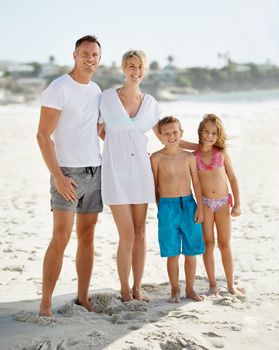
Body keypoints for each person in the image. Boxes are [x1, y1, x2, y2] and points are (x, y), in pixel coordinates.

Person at [36, 35, 103, 317]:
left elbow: (97, 130)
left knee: (87, 237)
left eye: (95, 55)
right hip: (68, 174)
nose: (90, 59)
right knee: (61, 237)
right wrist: (59, 178)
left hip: (94, 170)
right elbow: (42, 136)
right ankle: (46, 303)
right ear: (74, 55)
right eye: (85, 54)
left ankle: (83, 298)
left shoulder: (97, 89)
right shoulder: (59, 88)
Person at [151, 116, 205, 303]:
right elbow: (155, 186)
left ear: (181, 133)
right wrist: (161, 209)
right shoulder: (156, 158)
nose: (171, 136)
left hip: (189, 205)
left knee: (191, 251)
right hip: (167, 207)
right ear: (160, 136)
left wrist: (201, 208)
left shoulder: (188, 157)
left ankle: (190, 288)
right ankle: (174, 290)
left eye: (175, 132)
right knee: (172, 252)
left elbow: (197, 183)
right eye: (166, 133)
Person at [195, 114, 244, 295]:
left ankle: (231, 284)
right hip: (206, 204)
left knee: (225, 245)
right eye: (206, 132)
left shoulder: (221, 154)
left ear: (218, 135)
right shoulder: (195, 156)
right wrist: (200, 207)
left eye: (213, 133)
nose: (209, 136)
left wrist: (237, 204)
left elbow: (232, 178)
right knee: (208, 244)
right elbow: (197, 185)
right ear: (200, 132)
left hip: (223, 203)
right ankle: (212, 284)